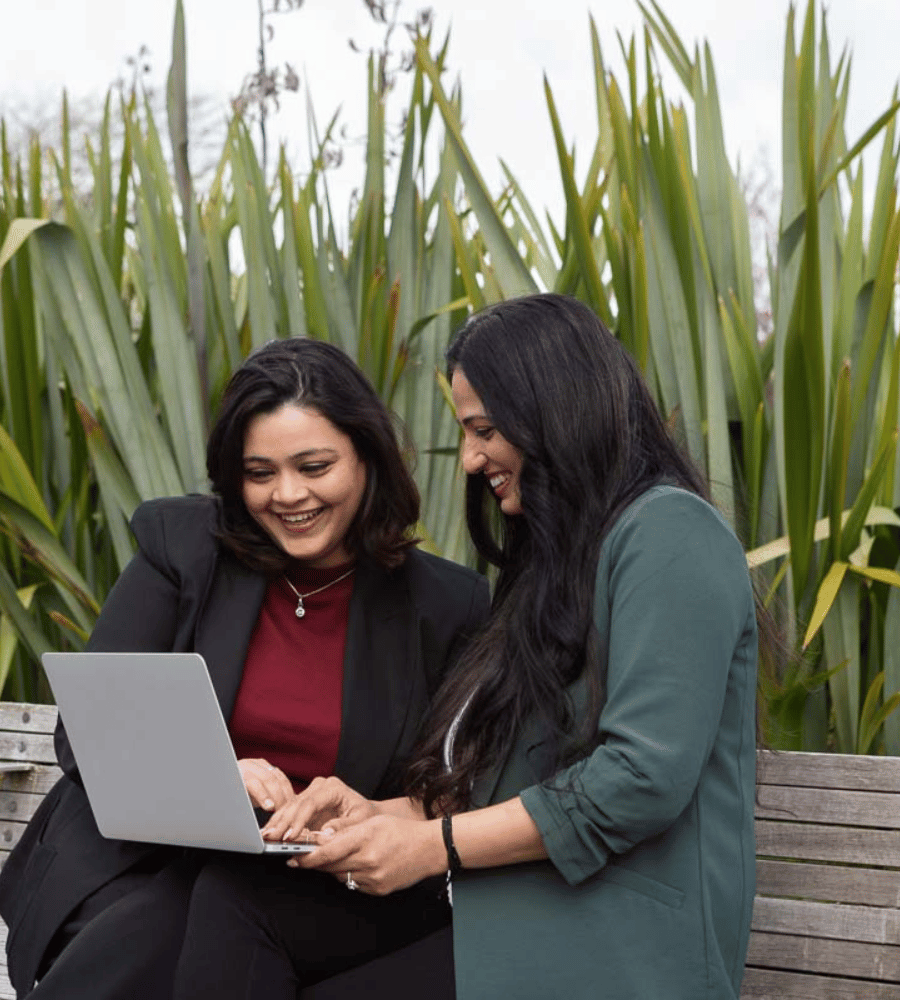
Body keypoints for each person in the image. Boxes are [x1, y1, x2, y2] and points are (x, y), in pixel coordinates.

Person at [267, 293, 759, 1000]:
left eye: (485, 430)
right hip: (512, 919)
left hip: (616, 952)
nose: (471, 458)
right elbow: (512, 781)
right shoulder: (556, 567)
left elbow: (640, 779)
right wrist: (381, 815)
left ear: (554, 414)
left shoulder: (671, 535)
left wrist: (428, 847)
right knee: (236, 910)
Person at [0, 338, 490, 999]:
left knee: (202, 919)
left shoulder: (444, 604)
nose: (288, 495)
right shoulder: (183, 548)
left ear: (368, 458)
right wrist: (211, 774)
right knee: (169, 921)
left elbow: (455, 785)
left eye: (314, 466)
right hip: (144, 862)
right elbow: (89, 732)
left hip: (315, 891)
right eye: (259, 473)